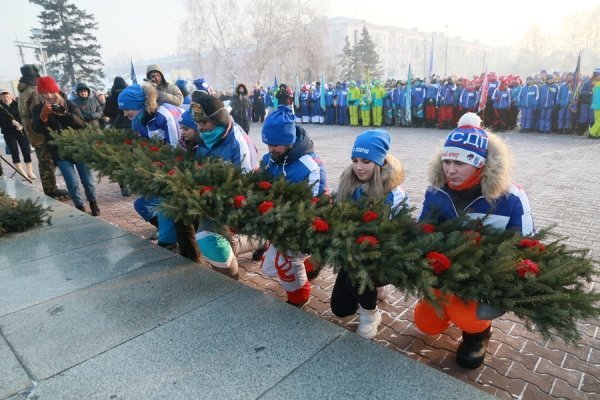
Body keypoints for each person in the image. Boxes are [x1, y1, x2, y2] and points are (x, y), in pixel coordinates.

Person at [415, 112, 534, 369]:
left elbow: (525, 245)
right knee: (426, 323)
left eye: (460, 163)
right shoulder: (436, 191)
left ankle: (477, 334)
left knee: (468, 316)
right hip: (445, 272)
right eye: (446, 161)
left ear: (480, 164)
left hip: (483, 279)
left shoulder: (511, 198)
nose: (450, 170)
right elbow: (421, 231)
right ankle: (448, 307)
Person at [331, 129, 408, 339]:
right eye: (355, 160)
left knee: (358, 275)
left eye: (366, 161)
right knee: (340, 309)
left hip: (379, 259)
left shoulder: (395, 196)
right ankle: (371, 292)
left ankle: (370, 314)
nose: (358, 167)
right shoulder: (349, 185)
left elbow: (400, 236)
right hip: (352, 252)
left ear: (379, 162)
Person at [184, 92, 260, 278]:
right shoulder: (206, 136)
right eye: (198, 124)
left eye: (204, 123)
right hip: (212, 197)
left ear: (218, 120)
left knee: (211, 239)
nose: (200, 128)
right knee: (210, 238)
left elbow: (246, 184)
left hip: (236, 200)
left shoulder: (238, 143)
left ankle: (231, 280)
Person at [260, 105, 328, 307]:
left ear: (289, 140)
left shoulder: (311, 166)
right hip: (278, 223)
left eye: (276, 144)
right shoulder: (269, 160)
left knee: (285, 263)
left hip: (303, 227)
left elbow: (311, 209)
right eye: (268, 143)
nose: (271, 149)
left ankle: (299, 297)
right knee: (268, 270)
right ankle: (309, 263)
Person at [118, 82, 183, 248]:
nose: (125, 114)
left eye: (128, 109)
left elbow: (178, 149)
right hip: (159, 169)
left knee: (164, 203)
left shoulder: (164, 115)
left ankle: (168, 241)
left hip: (178, 170)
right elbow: (144, 148)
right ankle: (170, 231)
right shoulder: (138, 121)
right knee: (142, 205)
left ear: (140, 104)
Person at [31, 76, 100, 216]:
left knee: (88, 181)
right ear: (40, 93)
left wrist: (65, 114)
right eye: (44, 92)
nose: (48, 96)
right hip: (59, 151)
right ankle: (80, 207)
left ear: (56, 90)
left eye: (51, 92)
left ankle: (93, 203)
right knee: (72, 184)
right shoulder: (38, 108)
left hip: (78, 148)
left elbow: (81, 124)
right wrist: (43, 117)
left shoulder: (69, 104)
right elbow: (37, 129)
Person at [17, 64, 70, 199]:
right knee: (47, 160)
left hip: (31, 131)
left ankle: (50, 188)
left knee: (43, 160)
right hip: (39, 132)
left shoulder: (23, 90)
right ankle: (51, 190)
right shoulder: (34, 91)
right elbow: (39, 113)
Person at [0, 89, 36, 180]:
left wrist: (21, 125)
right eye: (3, 97)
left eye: (7, 96)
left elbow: (24, 116)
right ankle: (21, 172)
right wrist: (11, 122)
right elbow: (1, 122)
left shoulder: (18, 104)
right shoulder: (0, 107)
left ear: (10, 96)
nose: (6, 98)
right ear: (0, 97)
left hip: (20, 130)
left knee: (26, 150)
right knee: (14, 151)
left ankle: (30, 171)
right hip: (8, 133)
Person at [588, 69, 600, 138]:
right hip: (599, 105)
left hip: (596, 104)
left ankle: (597, 133)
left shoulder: (594, 83)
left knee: (597, 120)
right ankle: (592, 132)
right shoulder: (598, 84)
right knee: (599, 120)